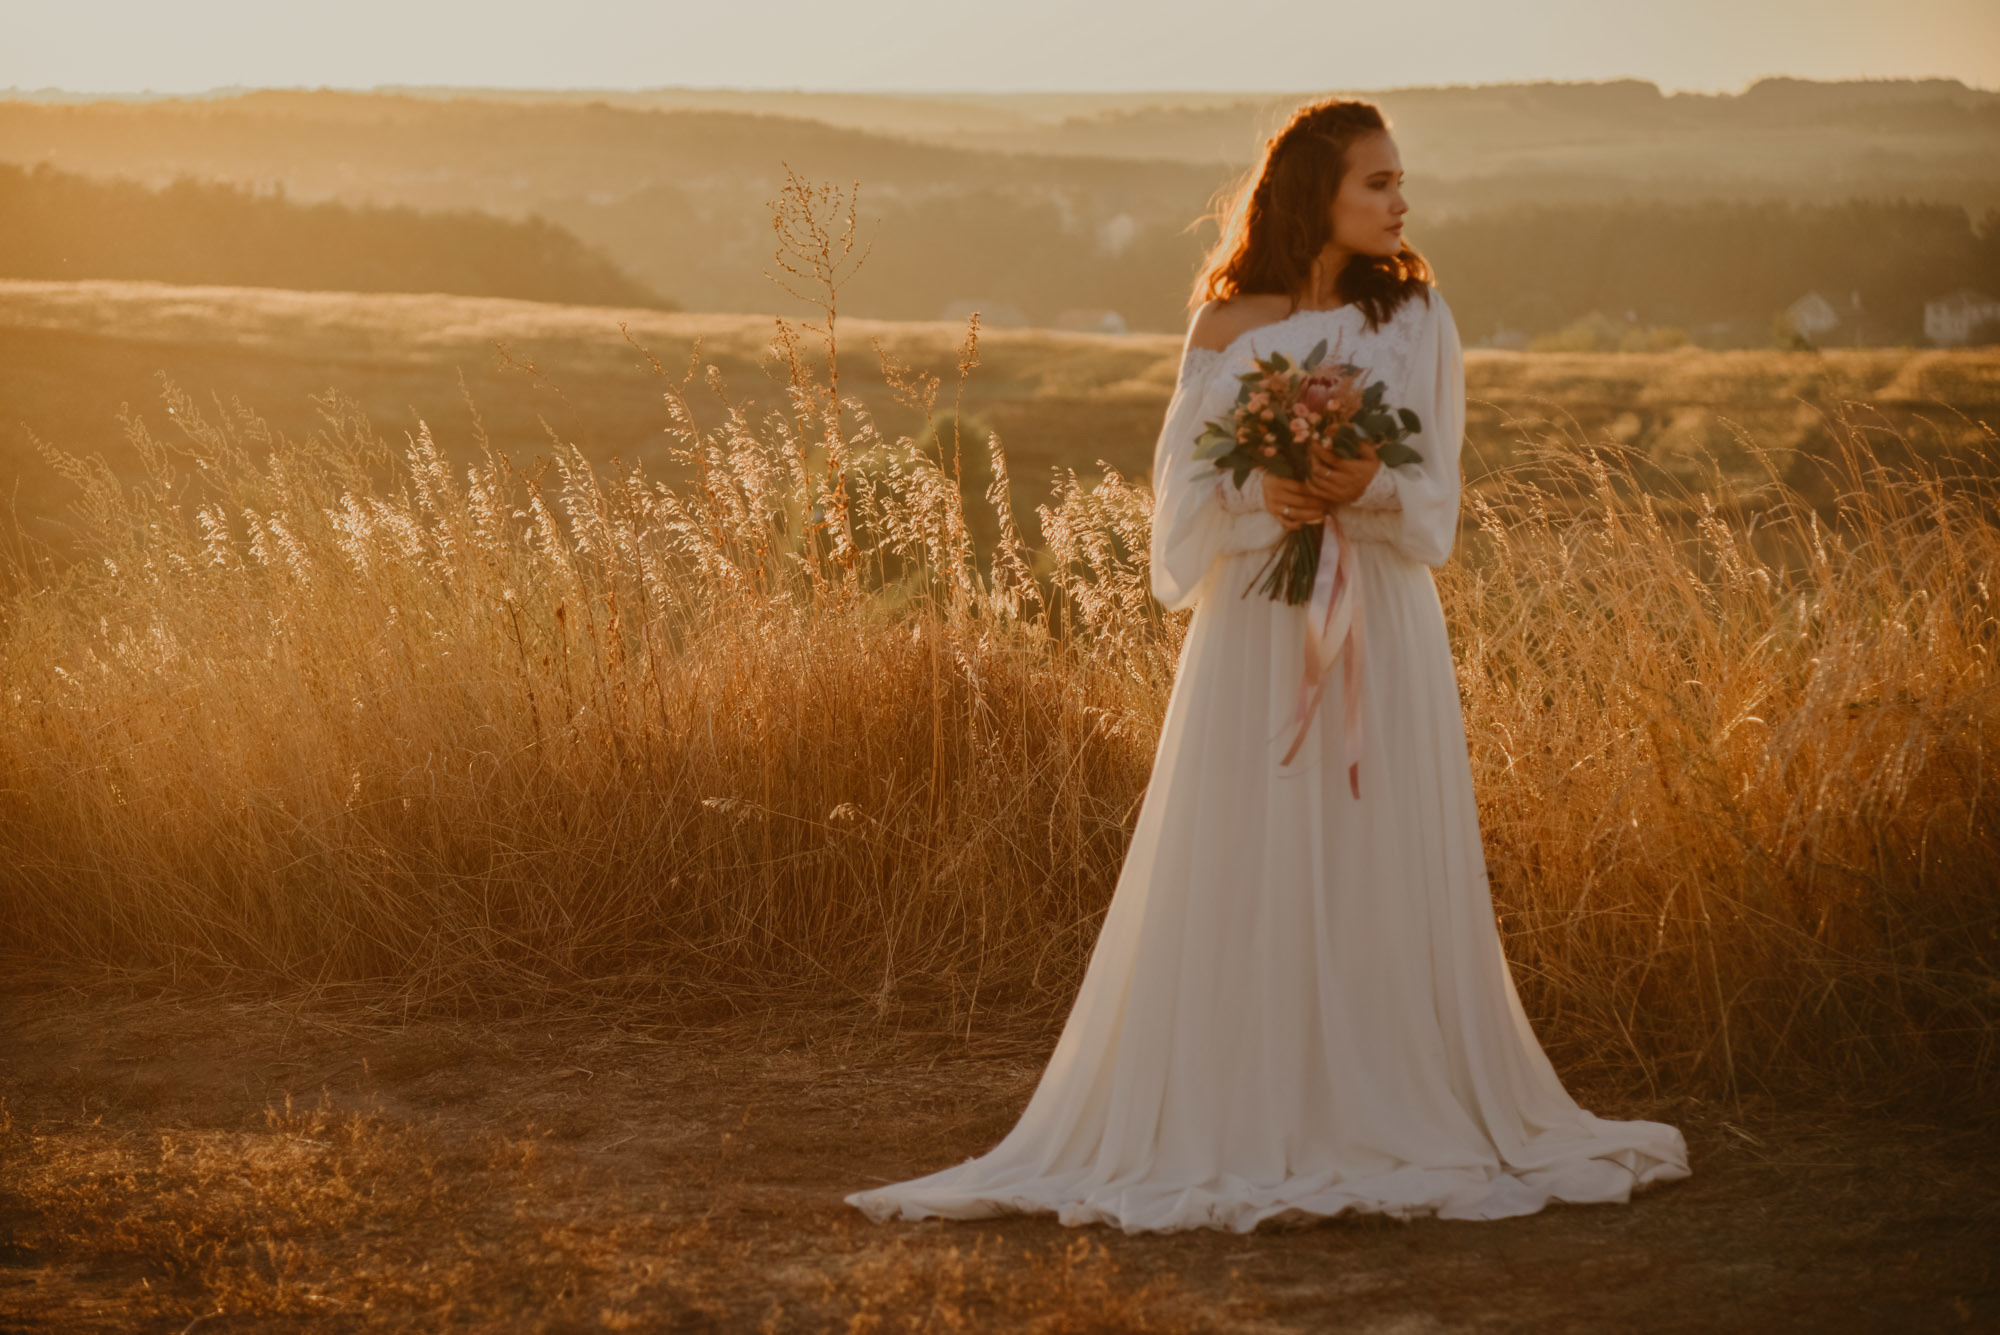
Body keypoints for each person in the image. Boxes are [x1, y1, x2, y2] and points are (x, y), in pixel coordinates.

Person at [846, 97, 1690, 1232]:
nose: (1400, 202)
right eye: (1375, 183)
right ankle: (1246, 1099)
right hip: (1253, 625)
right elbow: (1181, 517)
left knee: (1372, 841)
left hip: (1377, 620)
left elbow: (1434, 495)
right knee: (1249, 843)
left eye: (1399, 182)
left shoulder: (1417, 318)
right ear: (1314, 196)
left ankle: (1390, 1090)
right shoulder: (1221, 329)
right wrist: (1269, 489)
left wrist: (1365, 487)